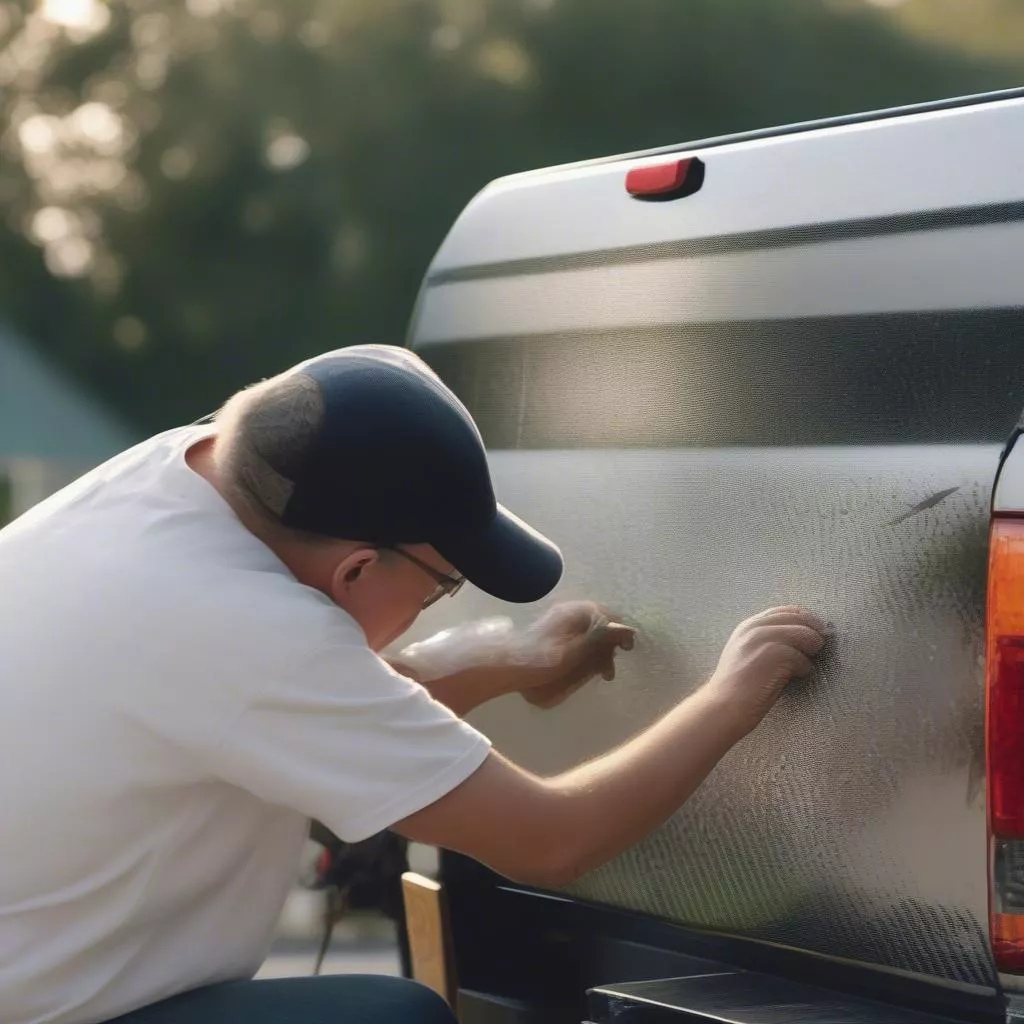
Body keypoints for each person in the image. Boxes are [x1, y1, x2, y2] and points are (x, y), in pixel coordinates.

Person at [0, 345, 825, 1024]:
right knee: (389, 1019)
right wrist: (732, 695)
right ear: (357, 564)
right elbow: (549, 839)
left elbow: (308, 701)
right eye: (442, 586)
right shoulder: (237, 624)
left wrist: (512, 664)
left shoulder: (177, 479)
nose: (440, 601)